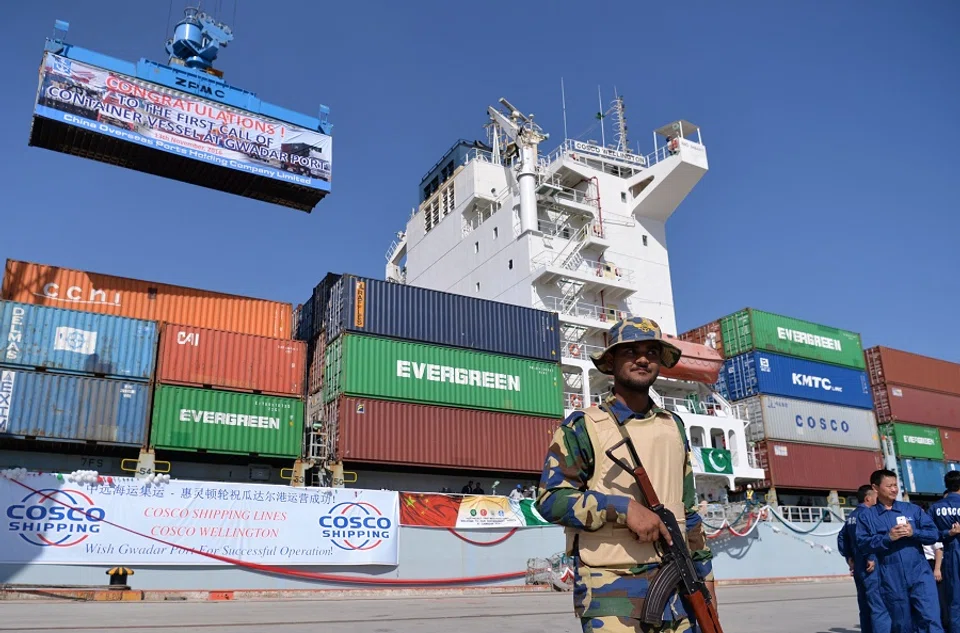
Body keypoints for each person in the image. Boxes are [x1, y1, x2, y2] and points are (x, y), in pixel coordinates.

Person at [535, 317, 715, 633]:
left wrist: (707, 583)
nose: (642, 358)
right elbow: (550, 499)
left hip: (681, 590)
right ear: (612, 361)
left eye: (652, 352)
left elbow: (688, 510)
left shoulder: (674, 426)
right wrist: (623, 509)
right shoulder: (583, 427)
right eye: (630, 351)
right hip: (613, 594)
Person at [856, 469, 944, 633]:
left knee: (931, 619)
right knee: (902, 624)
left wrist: (914, 533)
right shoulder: (867, 516)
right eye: (889, 486)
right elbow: (862, 544)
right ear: (875, 488)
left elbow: (934, 534)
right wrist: (887, 537)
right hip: (891, 578)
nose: (894, 489)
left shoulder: (912, 510)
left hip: (920, 574)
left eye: (895, 485)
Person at [838, 484, 885, 633]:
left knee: (864, 605)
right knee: (878, 606)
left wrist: (849, 557)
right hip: (870, 565)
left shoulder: (851, 516)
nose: (878, 500)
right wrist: (870, 556)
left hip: (858, 564)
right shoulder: (868, 514)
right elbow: (867, 537)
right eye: (876, 497)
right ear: (868, 498)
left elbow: (841, 537)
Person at [928, 473, 960, 633]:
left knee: (954, 598)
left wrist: (948, 533)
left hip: (948, 555)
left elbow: (929, 534)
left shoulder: (935, 508)